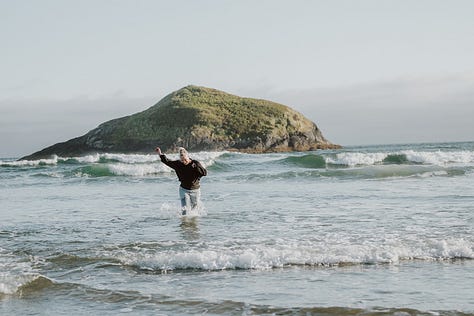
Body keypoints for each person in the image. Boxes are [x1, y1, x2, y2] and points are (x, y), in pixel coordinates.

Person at [155, 146, 207, 215]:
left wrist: (197, 167)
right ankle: (184, 223)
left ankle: (193, 223)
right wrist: (160, 153)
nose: (184, 161)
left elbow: (204, 173)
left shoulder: (195, 163)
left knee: (195, 210)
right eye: (182, 160)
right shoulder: (178, 164)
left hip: (195, 190)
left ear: (187, 156)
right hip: (184, 190)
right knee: (185, 210)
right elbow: (167, 161)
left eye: (185, 159)